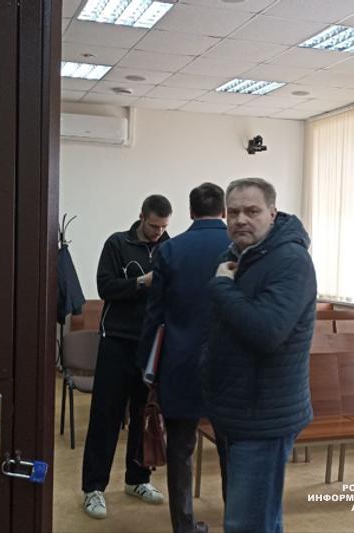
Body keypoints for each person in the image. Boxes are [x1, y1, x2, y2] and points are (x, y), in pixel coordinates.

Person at [201, 178, 317, 533]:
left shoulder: (291, 260)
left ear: (272, 213)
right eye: (233, 212)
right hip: (236, 407)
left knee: (247, 522)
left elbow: (267, 331)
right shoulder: (238, 255)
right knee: (258, 516)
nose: (241, 220)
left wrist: (222, 287)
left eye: (252, 211)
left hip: (264, 415)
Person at [138, 183, 230, 533]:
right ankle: (236, 521)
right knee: (232, 450)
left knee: (180, 451)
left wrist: (146, 365)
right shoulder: (239, 247)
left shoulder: (171, 249)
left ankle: (185, 526)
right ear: (224, 211)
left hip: (180, 363)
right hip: (229, 367)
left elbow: (155, 314)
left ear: (190, 212)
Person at [82, 194, 172, 520]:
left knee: (143, 415)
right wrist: (141, 283)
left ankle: (138, 480)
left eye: (163, 227)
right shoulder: (117, 244)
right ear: (141, 217)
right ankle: (93, 488)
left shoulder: (169, 248)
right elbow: (105, 287)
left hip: (151, 345)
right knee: (105, 416)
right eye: (154, 226)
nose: (158, 233)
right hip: (117, 342)